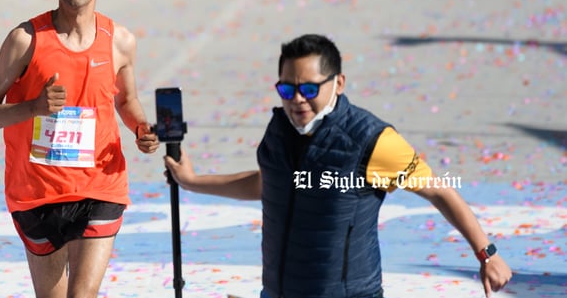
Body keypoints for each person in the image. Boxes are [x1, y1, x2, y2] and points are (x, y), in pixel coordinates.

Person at [164, 34, 512, 298]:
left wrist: (487, 254)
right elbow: (269, 184)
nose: (297, 99)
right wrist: (192, 181)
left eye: (309, 88)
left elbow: (438, 190)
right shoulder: (280, 130)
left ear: (338, 83)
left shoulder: (373, 141)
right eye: (287, 89)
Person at [0, 0, 160, 298]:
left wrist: (142, 128)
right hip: (36, 191)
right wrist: (34, 107)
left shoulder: (119, 40)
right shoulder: (25, 40)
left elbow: (126, 100)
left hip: (100, 186)